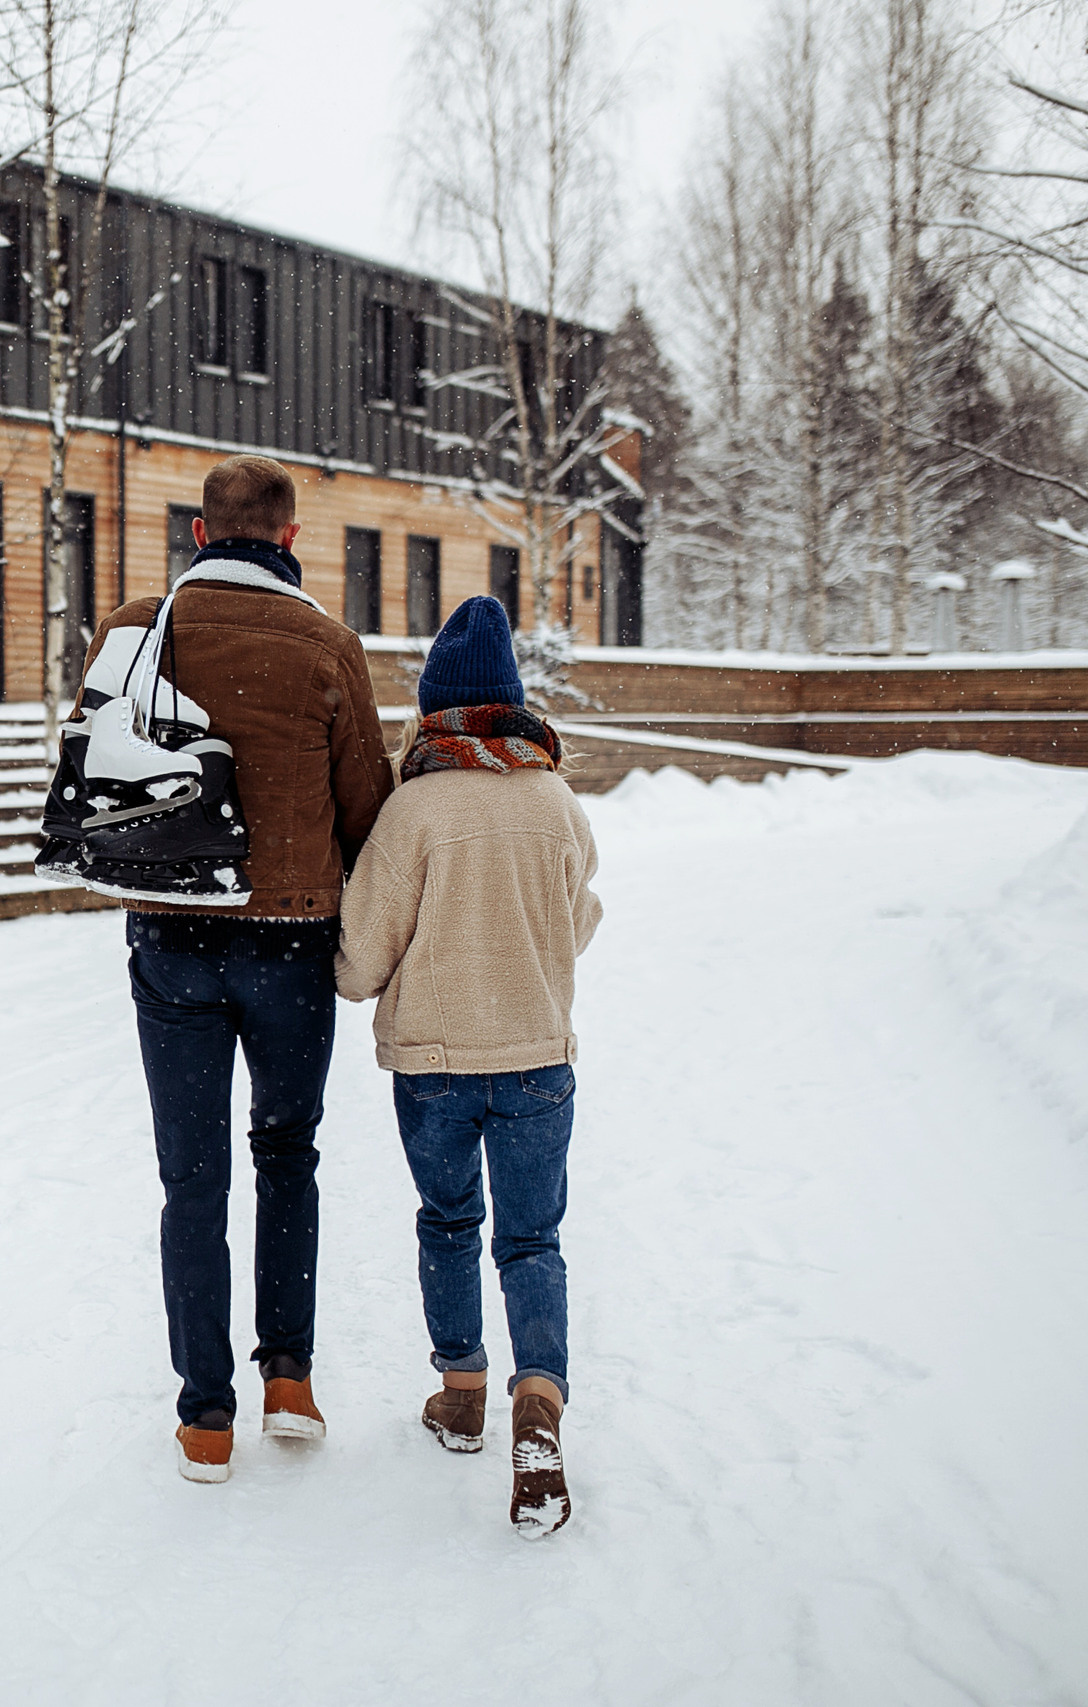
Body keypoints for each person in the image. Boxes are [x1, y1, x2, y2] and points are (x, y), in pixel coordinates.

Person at [87, 454, 394, 1484]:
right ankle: (290, 1380)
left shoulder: (137, 628)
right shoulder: (327, 645)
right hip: (290, 946)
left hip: (171, 935)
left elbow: (99, 757)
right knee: (286, 1154)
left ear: (199, 532)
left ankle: (205, 1417)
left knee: (191, 1179)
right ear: (292, 538)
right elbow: (367, 808)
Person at [334, 594, 602, 1538]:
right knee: (533, 1240)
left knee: (449, 1222)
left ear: (434, 708)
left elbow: (361, 959)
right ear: (513, 701)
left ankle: (461, 1393)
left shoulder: (413, 809)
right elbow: (580, 919)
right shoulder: (556, 802)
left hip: (435, 1065)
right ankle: (541, 1401)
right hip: (537, 1058)